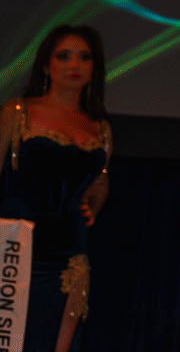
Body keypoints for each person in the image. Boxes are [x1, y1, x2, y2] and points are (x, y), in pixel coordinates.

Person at [0, 25, 112, 352]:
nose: (74, 64)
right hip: (15, 245)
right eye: (64, 56)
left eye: (84, 57)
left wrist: (90, 206)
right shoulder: (17, 112)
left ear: (94, 67)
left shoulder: (100, 127)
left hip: (68, 251)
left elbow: (100, 183)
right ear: (47, 65)